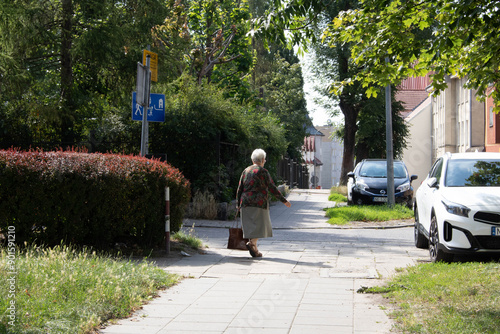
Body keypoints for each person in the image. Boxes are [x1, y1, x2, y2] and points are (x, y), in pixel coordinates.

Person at [236, 148, 291, 257]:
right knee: (260, 225)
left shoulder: (245, 171)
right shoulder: (263, 172)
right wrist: (284, 201)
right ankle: (252, 244)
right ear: (261, 160)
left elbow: (239, 188)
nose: (265, 161)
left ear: (253, 160)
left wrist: (238, 204)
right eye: (264, 160)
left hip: (245, 202)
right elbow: (272, 188)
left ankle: (255, 249)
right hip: (259, 202)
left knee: (251, 226)